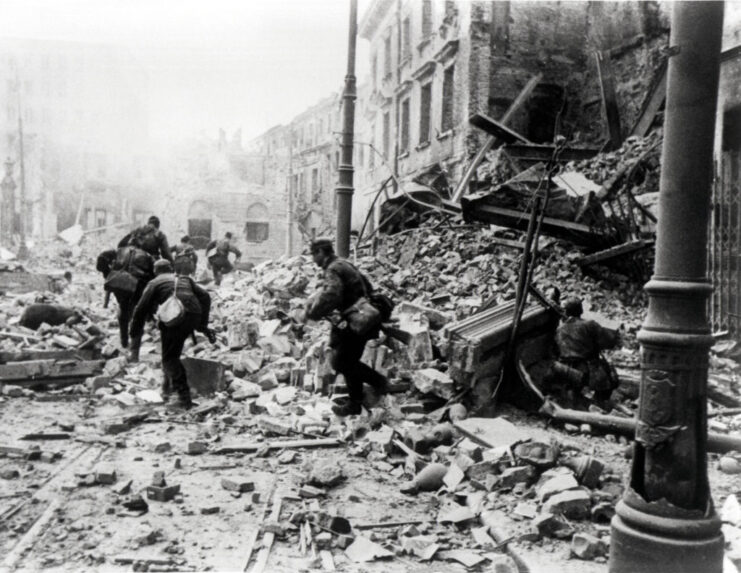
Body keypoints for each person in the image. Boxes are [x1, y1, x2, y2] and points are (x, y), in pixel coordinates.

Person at [305, 237, 388, 417]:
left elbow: (332, 294)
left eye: (314, 254)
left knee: (341, 361)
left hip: (355, 320)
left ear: (321, 252)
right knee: (348, 360)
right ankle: (355, 402)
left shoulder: (333, 269)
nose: (313, 259)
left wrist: (313, 312)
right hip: (362, 317)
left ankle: (379, 383)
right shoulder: (344, 264)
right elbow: (366, 286)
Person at [129, 259, 215, 410]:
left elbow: (140, 309)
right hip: (193, 315)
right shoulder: (184, 279)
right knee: (171, 353)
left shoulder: (154, 283)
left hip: (175, 317)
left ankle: (184, 399)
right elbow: (206, 297)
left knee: (170, 358)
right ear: (171, 269)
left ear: (156, 271)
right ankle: (166, 390)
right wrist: (202, 325)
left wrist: (134, 332)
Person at [551, 297, 619, 409]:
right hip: (588, 369)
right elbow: (608, 341)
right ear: (581, 311)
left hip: (566, 369)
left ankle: (577, 402)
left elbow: (556, 350)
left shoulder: (559, 329)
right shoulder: (590, 324)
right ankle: (599, 403)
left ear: (566, 312)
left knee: (572, 390)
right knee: (611, 379)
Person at [96, 246, 153, 348]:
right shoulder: (143, 253)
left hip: (123, 288)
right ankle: (134, 348)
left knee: (123, 313)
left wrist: (108, 274)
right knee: (137, 316)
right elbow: (152, 276)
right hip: (139, 286)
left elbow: (101, 266)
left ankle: (124, 342)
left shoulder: (118, 253)